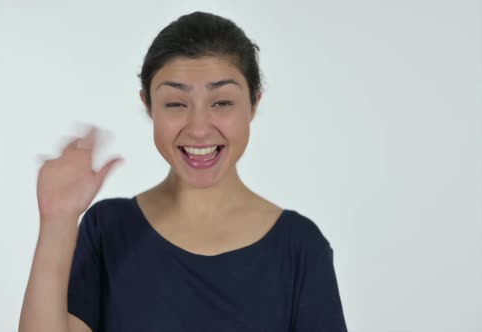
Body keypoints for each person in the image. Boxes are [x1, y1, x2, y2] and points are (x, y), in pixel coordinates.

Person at [19, 11, 347, 332]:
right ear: (148, 105)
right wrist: (57, 221)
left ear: (254, 103)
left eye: (222, 103)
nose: (199, 129)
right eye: (176, 104)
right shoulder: (108, 229)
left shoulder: (300, 247)